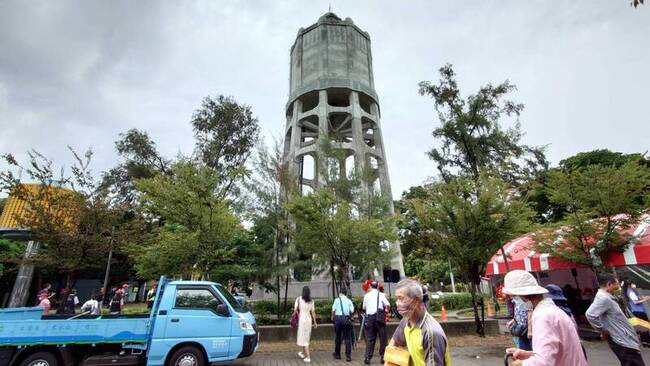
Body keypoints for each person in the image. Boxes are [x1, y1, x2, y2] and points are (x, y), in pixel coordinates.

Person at [503, 270, 587, 366]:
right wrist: (528, 354)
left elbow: (544, 363)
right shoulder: (552, 311)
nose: (513, 301)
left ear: (522, 296)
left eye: (513, 297)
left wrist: (521, 364)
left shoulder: (543, 317)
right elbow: (554, 352)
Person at [586, 273, 646, 366]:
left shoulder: (609, 297)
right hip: (622, 342)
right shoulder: (603, 298)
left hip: (625, 340)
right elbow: (590, 314)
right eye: (616, 284)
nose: (618, 286)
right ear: (609, 284)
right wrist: (603, 330)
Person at [389, 279, 451, 366]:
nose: (397, 303)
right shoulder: (406, 320)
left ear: (416, 300)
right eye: (397, 299)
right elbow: (394, 342)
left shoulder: (430, 333)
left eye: (401, 298)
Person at [362, 281, 390, 364]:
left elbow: (363, 307)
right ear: (377, 286)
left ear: (370, 286)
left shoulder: (366, 295)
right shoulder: (381, 294)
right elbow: (388, 304)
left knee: (370, 338)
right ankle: (383, 357)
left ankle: (367, 357)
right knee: (383, 338)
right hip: (379, 318)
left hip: (370, 318)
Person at [332, 287, 355, 362]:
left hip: (338, 319)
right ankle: (348, 356)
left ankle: (337, 354)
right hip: (346, 319)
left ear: (340, 293)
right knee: (347, 338)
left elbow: (333, 310)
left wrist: (333, 317)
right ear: (346, 293)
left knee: (338, 337)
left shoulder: (336, 300)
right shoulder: (349, 301)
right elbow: (352, 310)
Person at [624, 281, 650, 346]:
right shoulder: (630, 292)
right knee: (645, 326)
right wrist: (645, 300)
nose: (635, 285)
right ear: (630, 284)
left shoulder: (629, 291)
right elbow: (635, 302)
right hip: (639, 311)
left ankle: (645, 342)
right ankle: (647, 341)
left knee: (643, 326)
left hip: (637, 311)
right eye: (634, 284)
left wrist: (643, 297)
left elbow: (637, 298)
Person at [296, 286, 317, 363]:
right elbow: (313, 312)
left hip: (302, 320)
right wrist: (315, 322)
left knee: (304, 338)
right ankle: (302, 353)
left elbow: (295, 310)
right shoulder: (312, 301)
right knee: (306, 337)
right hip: (309, 320)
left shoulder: (298, 299)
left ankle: (308, 357)